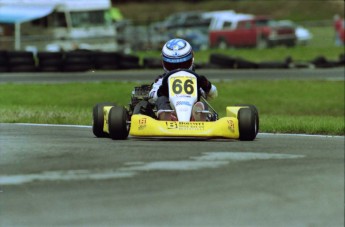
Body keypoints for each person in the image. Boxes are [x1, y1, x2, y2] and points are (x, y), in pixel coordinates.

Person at [148, 38, 218, 121]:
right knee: (161, 99)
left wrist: (206, 85)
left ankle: (198, 117)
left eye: (183, 64)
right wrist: (161, 91)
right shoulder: (162, 80)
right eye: (172, 66)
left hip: (193, 112)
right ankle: (166, 116)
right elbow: (152, 95)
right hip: (171, 112)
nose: (178, 70)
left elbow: (213, 94)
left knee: (201, 101)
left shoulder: (195, 79)